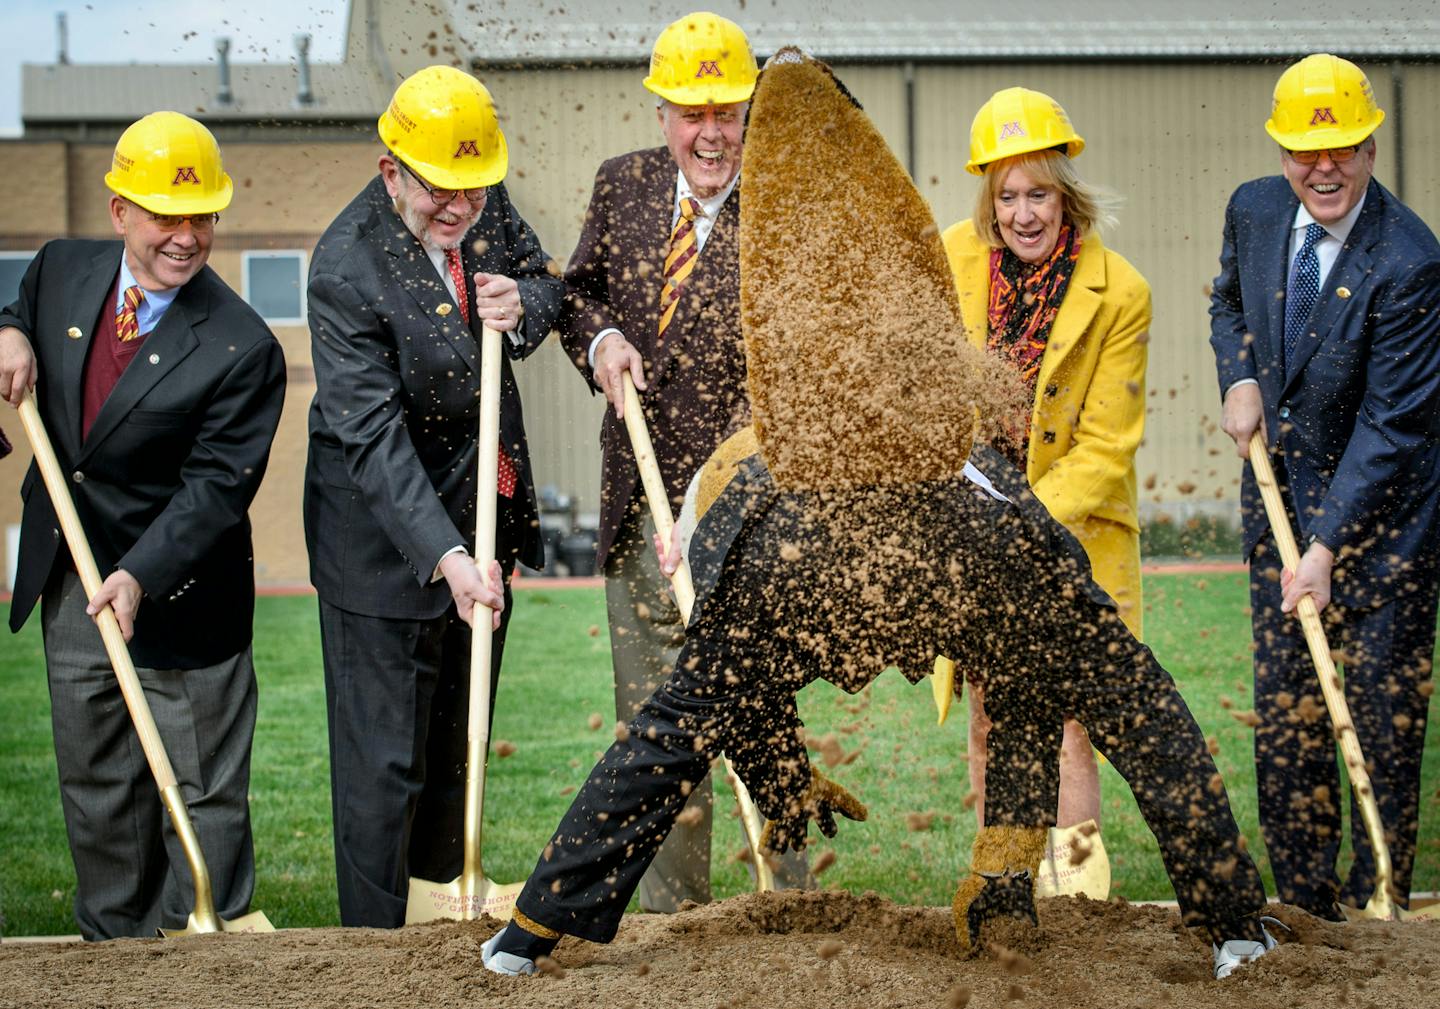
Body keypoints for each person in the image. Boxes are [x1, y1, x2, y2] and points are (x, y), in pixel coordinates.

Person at [482, 49, 1277, 984]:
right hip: (938, 541)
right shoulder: (803, 500)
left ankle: (523, 938)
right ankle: (1218, 922)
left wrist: (777, 773)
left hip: (893, 540)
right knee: (1098, 678)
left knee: (683, 717)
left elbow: (703, 705)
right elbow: (1118, 702)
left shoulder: (743, 529)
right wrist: (781, 769)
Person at [0, 112, 284, 940]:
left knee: (198, 792)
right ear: (120, 209)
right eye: (167, 215)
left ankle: (203, 954)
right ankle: (110, 954)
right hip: (72, 581)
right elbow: (20, 310)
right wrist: (10, 332)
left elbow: (213, 490)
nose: (187, 237)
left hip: (180, 594)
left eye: (202, 217)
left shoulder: (242, 347)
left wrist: (138, 575)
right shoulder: (59, 270)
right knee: (98, 787)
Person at [558, 10, 809, 910]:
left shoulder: (786, 204)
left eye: (729, 111)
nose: (712, 132)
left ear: (751, 112)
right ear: (662, 111)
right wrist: (602, 340)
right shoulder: (620, 185)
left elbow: (801, 363)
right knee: (657, 719)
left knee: (758, 703)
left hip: (746, 514)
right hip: (637, 500)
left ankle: (791, 901)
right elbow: (576, 292)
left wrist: (715, 506)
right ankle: (676, 919)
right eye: (692, 110)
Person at [303, 65, 563, 928]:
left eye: (474, 192)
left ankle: (439, 924)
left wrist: (520, 301)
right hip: (381, 542)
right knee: (385, 770)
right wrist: (446, 558)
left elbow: (547, 281)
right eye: (440, 192)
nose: (460, 209)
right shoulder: (344, 268)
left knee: (459, 749)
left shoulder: (483, 201)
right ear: (391, 172)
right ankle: (372, 956)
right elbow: (370, 440)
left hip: (481, 515)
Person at [1208, 53, 1440, 921]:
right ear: (1281, 154)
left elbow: (1394, 427)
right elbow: (1227, 304)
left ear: (1372, 147)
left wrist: (1327, 547)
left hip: (1384, 536)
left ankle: (1379, 908)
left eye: (1343, 147)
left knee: (1379, 731)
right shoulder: (1255, 210)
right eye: (1306, 152)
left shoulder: (1411, 262)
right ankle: (1305, 913)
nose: (1323, 167)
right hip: (1281, 515)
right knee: (1293, 728)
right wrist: (1238, 376)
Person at [942, 88, 1150, 831]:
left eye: (1039, 194)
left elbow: (1105, 447)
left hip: (1068, 543)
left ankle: (1077, 911)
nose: (1024, 214)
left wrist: (1014, 525)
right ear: (989, 199)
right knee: (990, 719)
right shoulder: (954, 257)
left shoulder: (1120, 291)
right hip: (975, 542)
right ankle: (1002, 896)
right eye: (1008, 196)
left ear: (1067, 195)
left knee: (1063, 726)